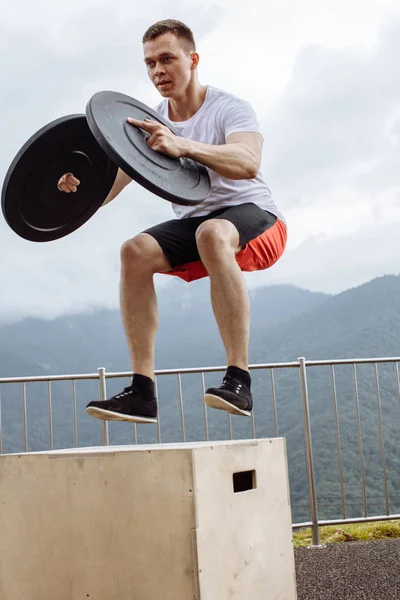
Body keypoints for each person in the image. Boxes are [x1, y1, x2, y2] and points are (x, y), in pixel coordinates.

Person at [58, 19, 287, 424]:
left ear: (192, 59)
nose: (157, 71)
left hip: (257, 217)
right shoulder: (146, 124)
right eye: (149, 64)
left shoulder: (229, 108)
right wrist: (76, 191)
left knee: (212, 232)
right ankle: (142, 393)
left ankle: (239, 380)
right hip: (200, 226)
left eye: (167, 59)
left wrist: (182, 144)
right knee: (134, 252)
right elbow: (111, 187)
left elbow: (248, 163)